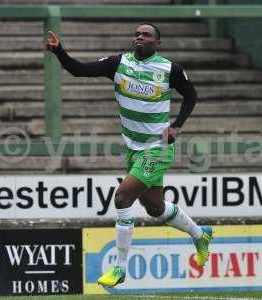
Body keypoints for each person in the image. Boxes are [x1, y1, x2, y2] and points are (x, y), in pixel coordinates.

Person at [47, 23, 213, 288]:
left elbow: (191, 95)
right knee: (156, 208)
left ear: (158, 43)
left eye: (146, 35)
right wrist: (59, 52)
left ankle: (120, 268)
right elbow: (79, 70)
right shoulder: (118, 63)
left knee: (123, 197)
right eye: (137, 34)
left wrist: (177, 124)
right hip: (134, 149)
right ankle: (199, 234)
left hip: (157, 149)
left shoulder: (170, 70)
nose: (139, 37)